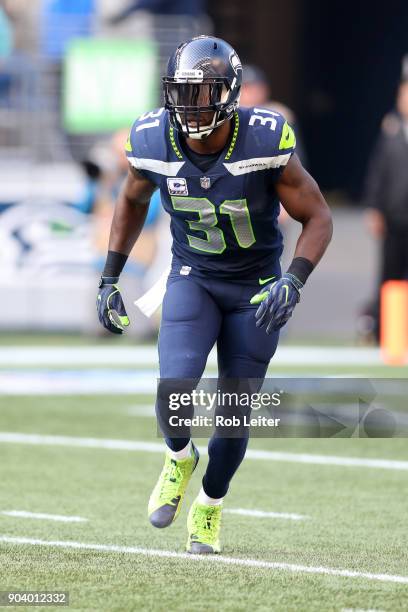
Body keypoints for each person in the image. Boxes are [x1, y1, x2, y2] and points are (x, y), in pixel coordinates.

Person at [96, 35, 332, 554]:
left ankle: (209, 505)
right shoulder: (153, 138)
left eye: (203, 92)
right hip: (193, 276)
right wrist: (111, 276)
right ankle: (179, 456)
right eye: (182, 92)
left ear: (229, 92)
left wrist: (294, 278)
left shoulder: (264, 138)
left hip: (256, 287)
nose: (191, 104)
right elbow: (132, 198)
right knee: (172, 387)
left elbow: (318, 216)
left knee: (232, 415)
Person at [364, 77, 408, 340]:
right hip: (394, 218)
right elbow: (377, 173)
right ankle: (385, 332)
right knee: (389, 277)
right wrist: (374, 208)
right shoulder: (390, 134)